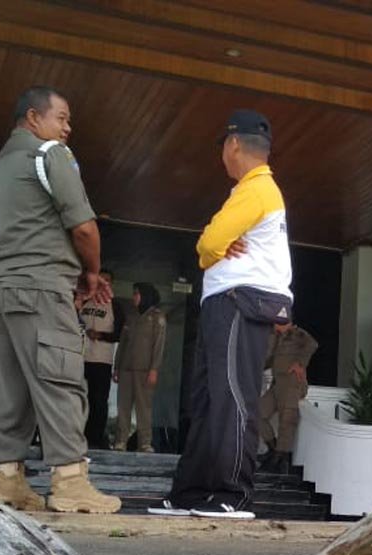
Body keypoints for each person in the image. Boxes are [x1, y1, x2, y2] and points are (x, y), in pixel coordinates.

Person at [0, 86, 119, 514]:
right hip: (41, 285)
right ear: (33, 118)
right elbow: (83, 228)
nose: (67, 129)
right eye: (62, 118)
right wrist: (92, 272)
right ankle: (70, 482)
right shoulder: (49, 155)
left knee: (10, 387)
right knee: (61, 381)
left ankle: (7, 482)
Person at [149, 109, 293, 519]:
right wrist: (216, 247)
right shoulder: (250, 191)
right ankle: (190, 492)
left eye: (223, 149)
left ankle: (233, 492)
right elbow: (217, 243)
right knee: (208, 401)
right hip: (226, 301)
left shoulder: (257, 188)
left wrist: (211, 249)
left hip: (240, 300)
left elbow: (209, 242)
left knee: (231, 397)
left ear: (233, 144)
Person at [258, 321, 318, 474]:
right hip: (277, 383)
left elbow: (312, 345)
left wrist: (300, 364)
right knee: (257, 412)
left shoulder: (296, 333)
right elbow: (269, 359)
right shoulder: (275, 337)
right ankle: (273, 450)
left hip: (292, 383)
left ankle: (280, 458)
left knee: (287, 419)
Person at [113, 282, 166, 453]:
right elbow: (122, 344)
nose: (134, 297)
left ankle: (144, 443)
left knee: (144, 407)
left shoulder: (157, 317)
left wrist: (154, 369)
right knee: (123, 407)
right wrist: (116, 367)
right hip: (126, 369)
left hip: (145, 370)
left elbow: (159, 345)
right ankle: (121, 441)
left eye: (137, 293)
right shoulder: (131, 317)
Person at [80, 269, 125, 450]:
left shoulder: (114, 305)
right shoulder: (83, 300)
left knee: (98, 400)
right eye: (101, 279)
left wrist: (101, 335)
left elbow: (120, 333)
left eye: (107, 280)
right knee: (77, 399)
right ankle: (77, 435)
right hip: (80, 358)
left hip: (102, 360)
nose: (103, 283)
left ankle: (96, 438)